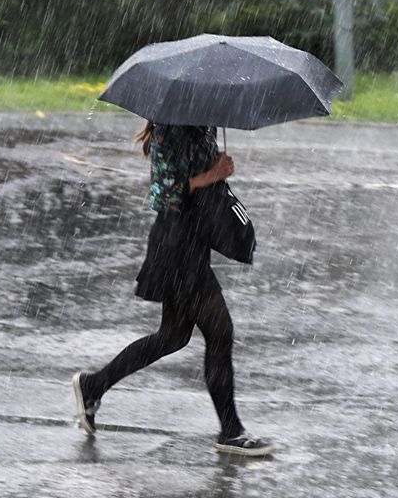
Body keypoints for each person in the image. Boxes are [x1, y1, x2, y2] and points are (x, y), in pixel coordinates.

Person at [72, 122, 274, 457]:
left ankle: (93, 385)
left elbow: (200, 178)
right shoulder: (169, 127)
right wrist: (213, 174)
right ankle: (231, 431)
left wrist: (218, 166)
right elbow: (164, 194)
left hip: (194, 243)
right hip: (176, 243)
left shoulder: (205, 124)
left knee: (173, 336)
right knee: (220, 331)